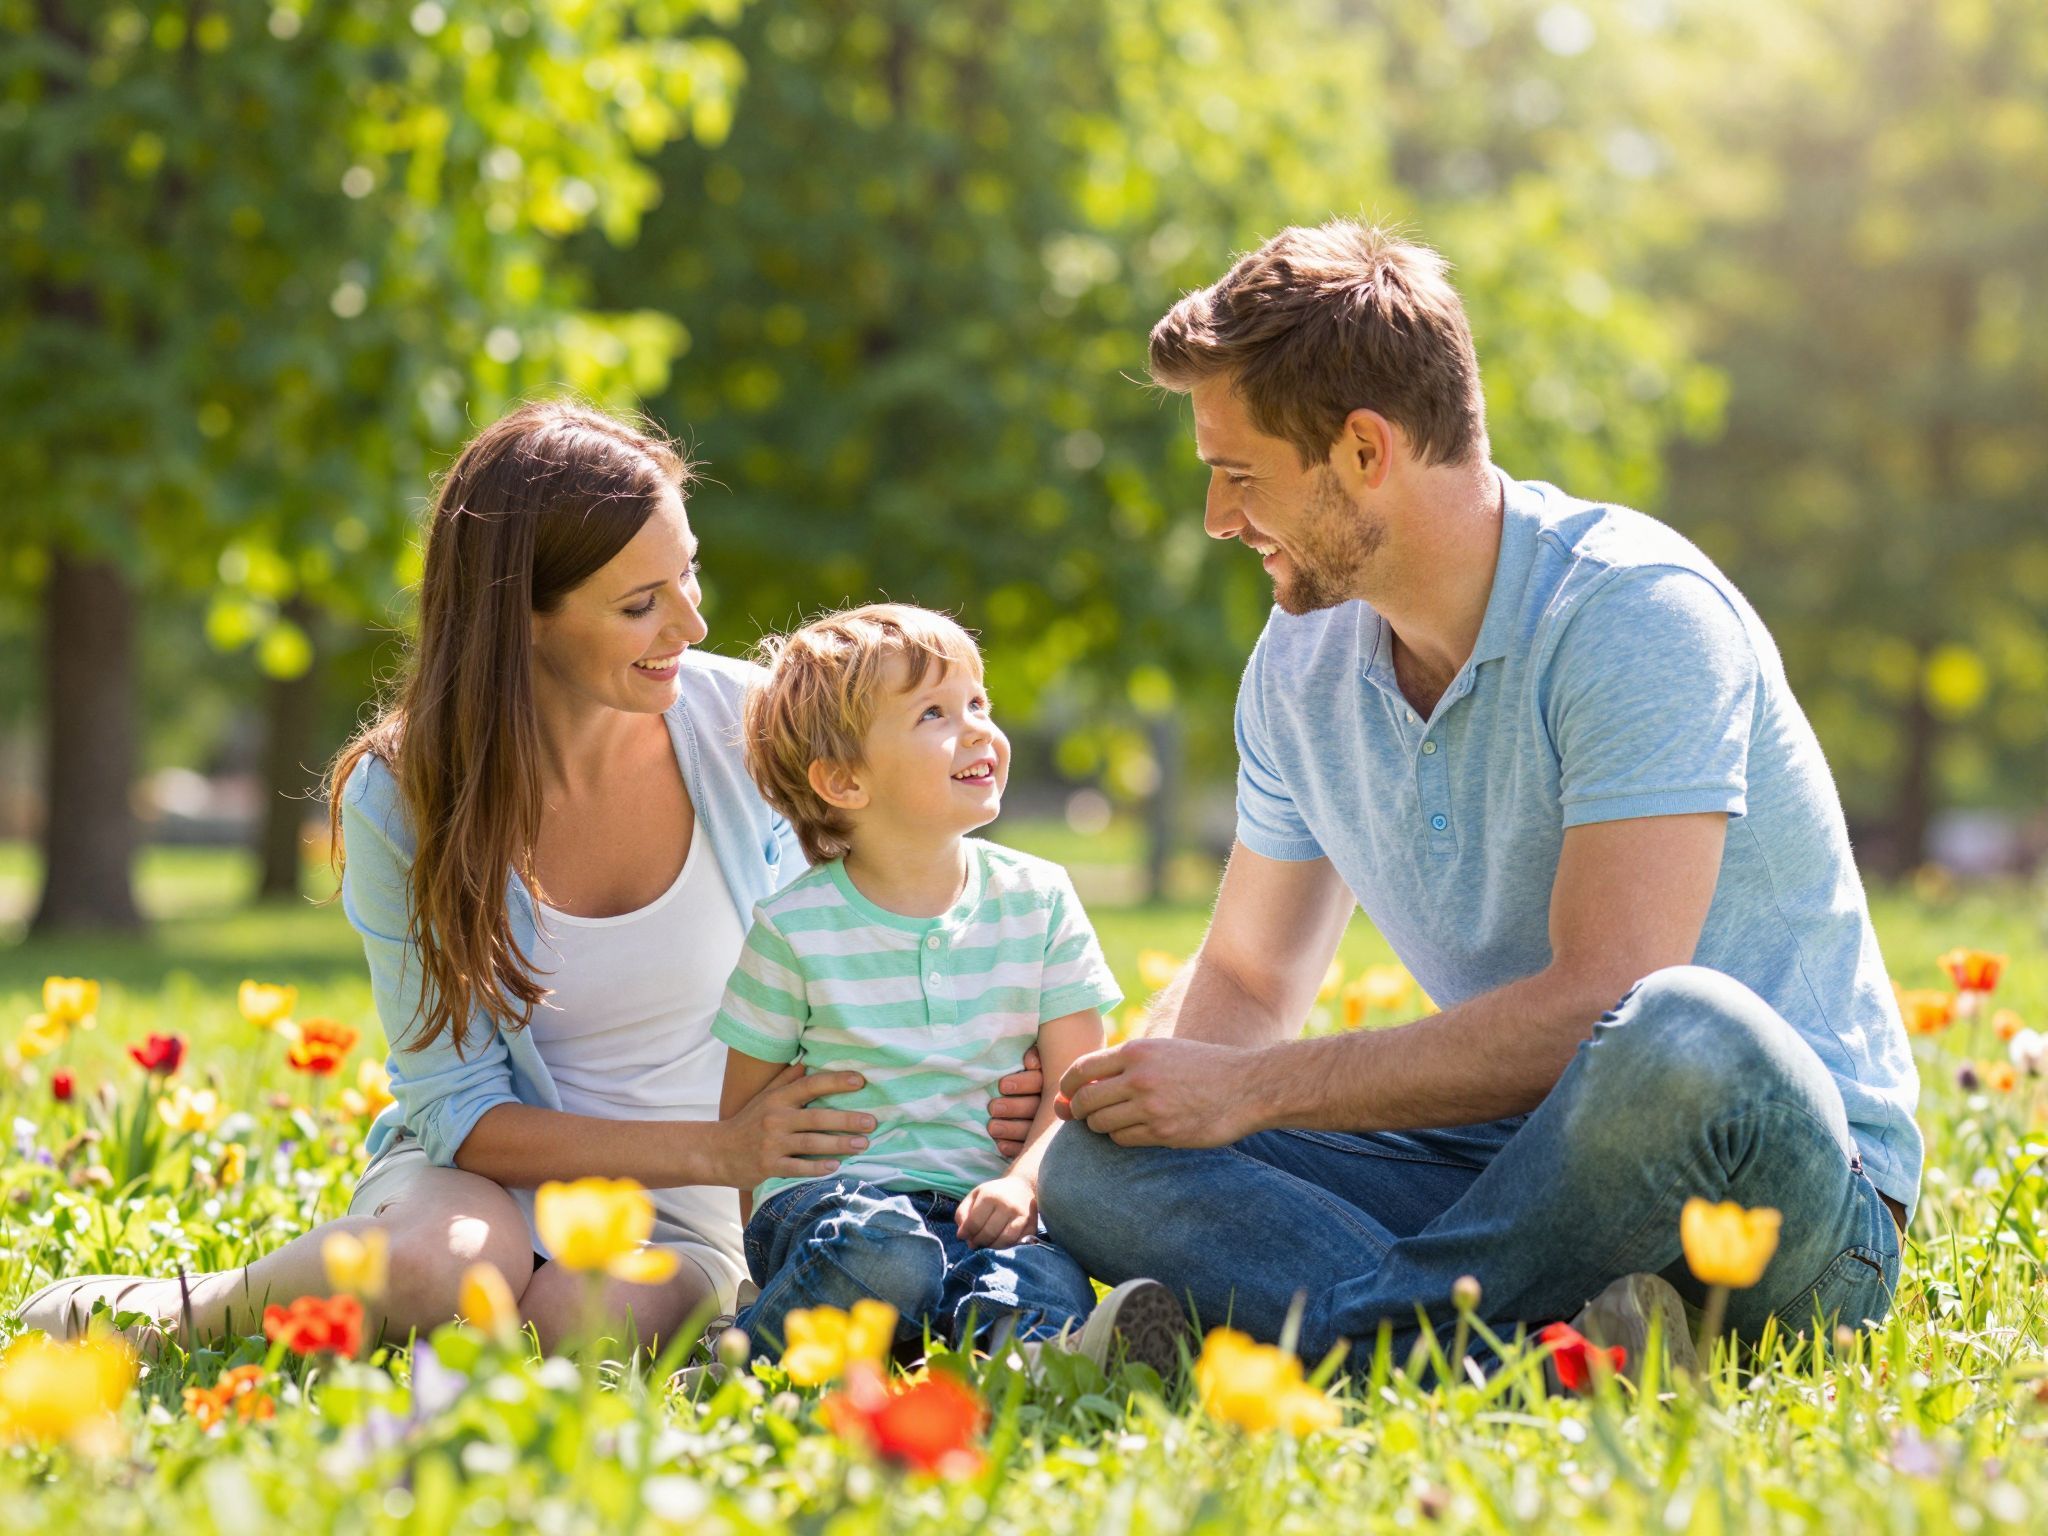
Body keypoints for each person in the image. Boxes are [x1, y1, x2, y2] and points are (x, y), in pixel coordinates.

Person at [1039, 221, 1922, 1373]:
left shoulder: (1632, 615)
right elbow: (1251, 979)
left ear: (1363, 450)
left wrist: (1250, 1092)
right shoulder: (1300, 665)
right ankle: (1515, 1356)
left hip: (1770, 1189)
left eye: (1237, 473)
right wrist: (1133, 1097)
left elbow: (1598, 1001)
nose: (1215, 517)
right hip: (1506, 1172)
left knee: (1677, 1028)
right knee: (1097, 1165)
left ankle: (1381, 1344)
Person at [20, 401, 1047, 1352]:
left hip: (692, 1202)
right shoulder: (404, 794)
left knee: (562, 1321)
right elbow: (457, 1109)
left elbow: (911, 884)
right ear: (524, 618)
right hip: (491, 1177)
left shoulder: (750, 731)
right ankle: (187, 1311)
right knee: (440, 1275)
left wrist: (996, 1060)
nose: (690, 626)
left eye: (688, 575)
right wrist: (722, 1145)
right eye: (640, 603)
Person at [712, 604, 1184, 1374]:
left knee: (1040, 1280)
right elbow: (748, 1126)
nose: (976, 731)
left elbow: (1075, 1089)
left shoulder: (1039, 899)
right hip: (843, 1211)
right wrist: (775, 1247)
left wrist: (1022, 1183)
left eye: (978, 703)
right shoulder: (792, 929)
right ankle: (750, 1348)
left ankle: (1045, 1364)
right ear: (844, 779)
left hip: (982, 1209)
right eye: (934, 712)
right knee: (887, 1256)